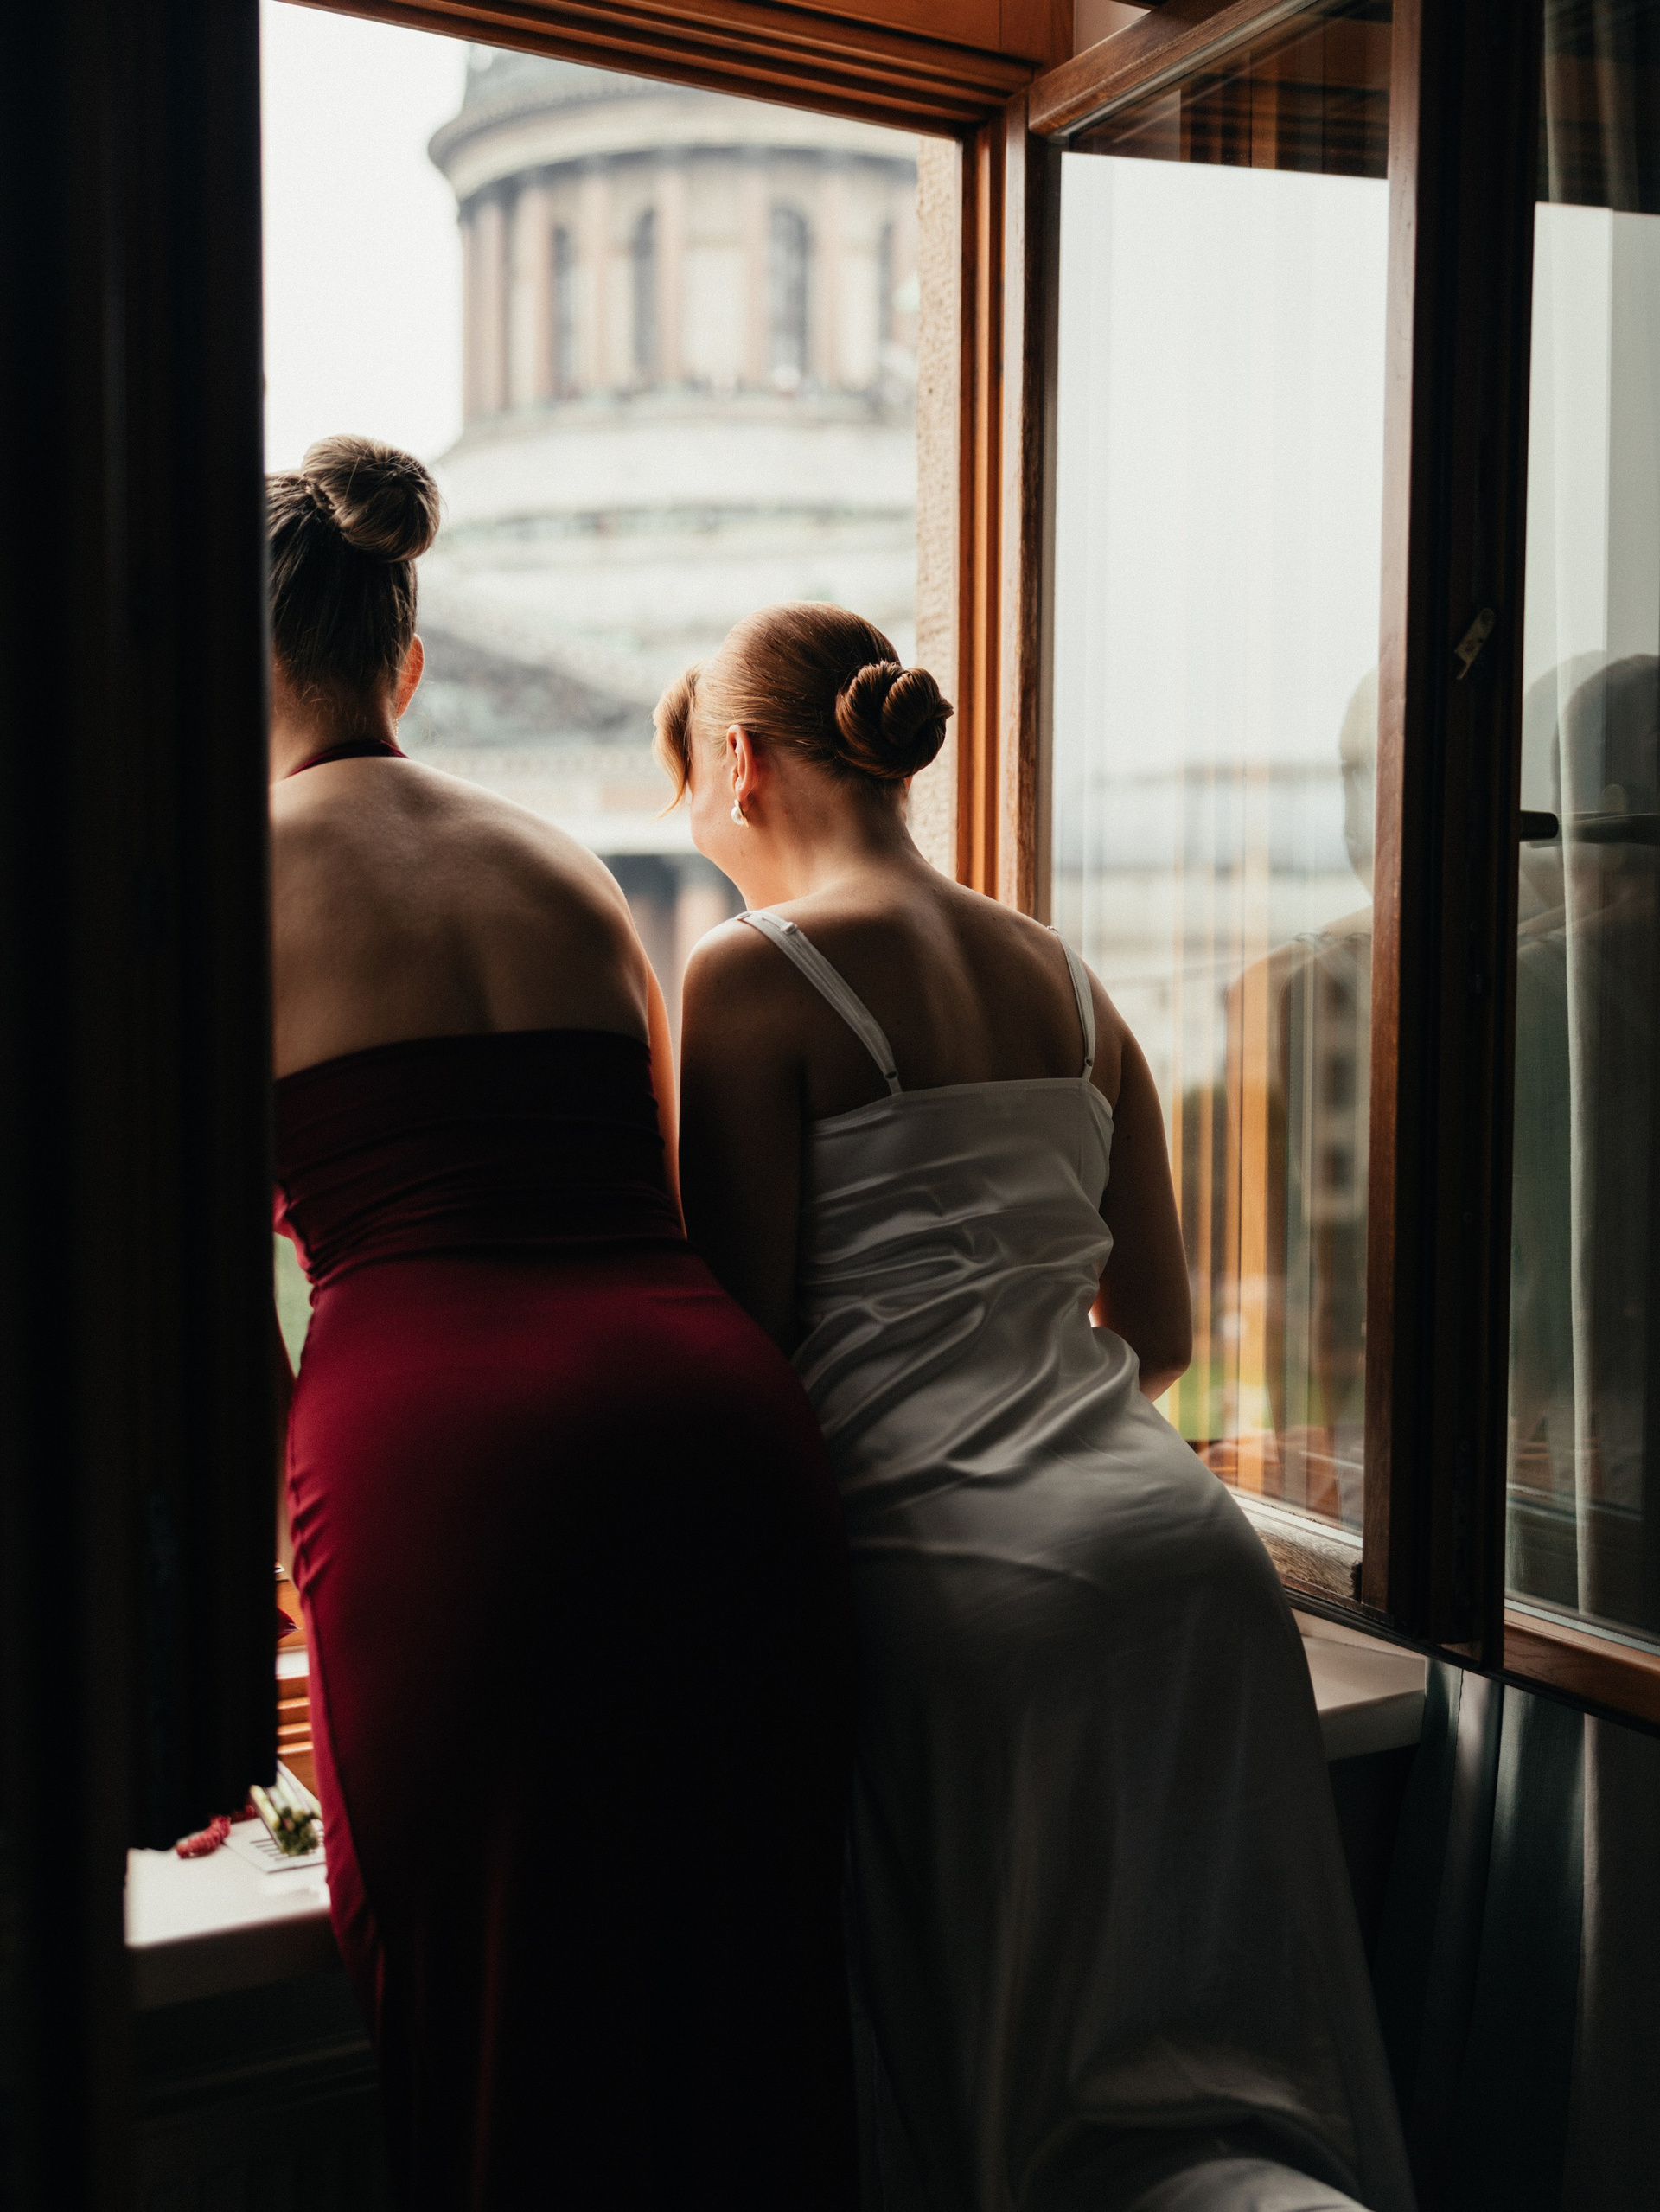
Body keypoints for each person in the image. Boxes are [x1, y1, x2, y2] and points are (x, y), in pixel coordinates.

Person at [661, 604, 1414, 2212]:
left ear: (736, 760)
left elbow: (739, 1353)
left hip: (963, 1575)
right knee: (1235, 2071)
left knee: (1021, 2112)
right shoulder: (1070, 978)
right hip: (1183, 1556)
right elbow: (1163, 1329)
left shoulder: (750, 974)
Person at [268, 443, 857, 2210]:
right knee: (733, 2006)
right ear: (409, 663)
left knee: (505, 2024)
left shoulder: (215, 888)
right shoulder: (567, 865)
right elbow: (666, 1194)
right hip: (722, 1434)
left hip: (454, 1472)